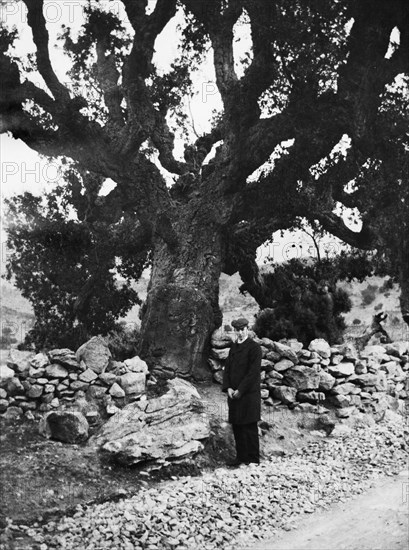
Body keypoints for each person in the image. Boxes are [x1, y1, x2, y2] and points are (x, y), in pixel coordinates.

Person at [222, 317, 262, 466]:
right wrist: (229, 388)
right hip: (234, 394)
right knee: (237, 425)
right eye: (237, 330)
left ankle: (253, 458)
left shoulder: (254, 348)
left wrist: (241, 389)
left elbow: (253, 373)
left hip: (249, 394)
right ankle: (241, 457)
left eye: (242, 329)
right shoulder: (233, 348)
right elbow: (228, 370)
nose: (239, 333)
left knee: (249, 425)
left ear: (247, 329)